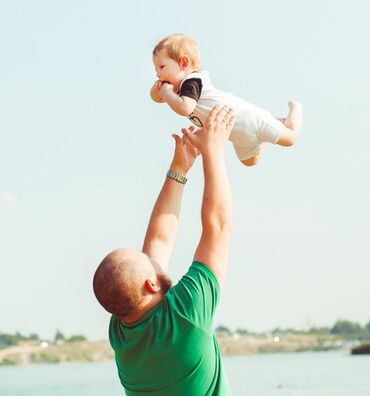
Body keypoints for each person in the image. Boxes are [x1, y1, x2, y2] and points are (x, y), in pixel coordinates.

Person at [93, 105, 236, 395]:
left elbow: (158, 242)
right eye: (146, 261)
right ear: (150, 282)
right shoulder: (185, 315)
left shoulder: (122, 334)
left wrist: (179, 169)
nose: (150, 255)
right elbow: (217, 227)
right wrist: (214, 151)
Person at [151, 33, 303, 167]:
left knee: (290, 139)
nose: (158, 74)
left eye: (162, 67)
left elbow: (184, 108)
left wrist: (164, 91)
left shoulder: (192, 82)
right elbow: (156, 98)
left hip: (250, 120)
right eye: (156, 70)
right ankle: (265, 135)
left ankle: (294, 110)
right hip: (237, 134)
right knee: (250, 161)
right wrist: (160, 90)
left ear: (183, 63)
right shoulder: (177, 89)